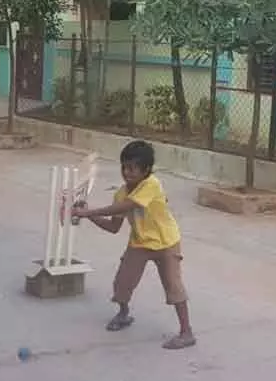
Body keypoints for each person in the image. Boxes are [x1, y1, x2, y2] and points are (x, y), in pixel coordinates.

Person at [71, 140, 196, 350]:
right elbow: (113, 227)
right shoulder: (121, 193)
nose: (127, 173)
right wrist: (88, 216)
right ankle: (123, 314)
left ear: (146, 170)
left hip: (166, 242)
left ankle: (186, 332)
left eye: (132, 168)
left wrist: (88, 212)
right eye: (124, 167)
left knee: (173, 286)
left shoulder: (152, 185)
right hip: (139, 242)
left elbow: (129, 205)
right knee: (122, 282)